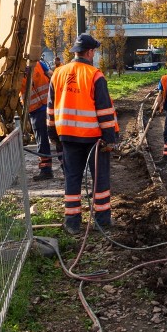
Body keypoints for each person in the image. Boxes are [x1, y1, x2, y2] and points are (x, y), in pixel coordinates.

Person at [47, 33, 119, 235]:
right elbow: (104, 111)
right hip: (94, 138)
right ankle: (102, 220)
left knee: (72, 178)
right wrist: (109, 139)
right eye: (94, 51)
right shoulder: (95, 75)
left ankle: (72, 221)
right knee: (100, 179)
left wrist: (53, 135)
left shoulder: (58, 73)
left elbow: (50, 109)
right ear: (89, 52)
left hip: (67, 137)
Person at [22, 58, 55, 181]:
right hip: (37, 109)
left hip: (48, 107)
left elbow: (52, 76)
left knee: (52, 140)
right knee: (43, 141)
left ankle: (49, 170)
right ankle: (47, 170)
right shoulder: (16, 71)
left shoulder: (39, 64)